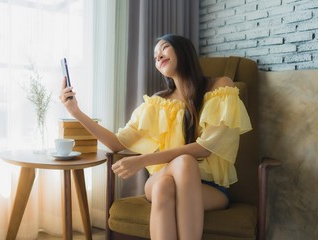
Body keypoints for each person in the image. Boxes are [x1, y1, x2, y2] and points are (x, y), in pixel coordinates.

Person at [60, 34, 252, 240]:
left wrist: (143, 160)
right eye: (154, 56)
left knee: (170, 181)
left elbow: (204, 148)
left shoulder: (220, 87)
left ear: (183, 50)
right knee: (179, 168)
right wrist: (76, 112)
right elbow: (116, 143)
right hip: (162, 174)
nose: (158, 56)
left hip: (210, 188)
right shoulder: (157, 103)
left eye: (164, 48)